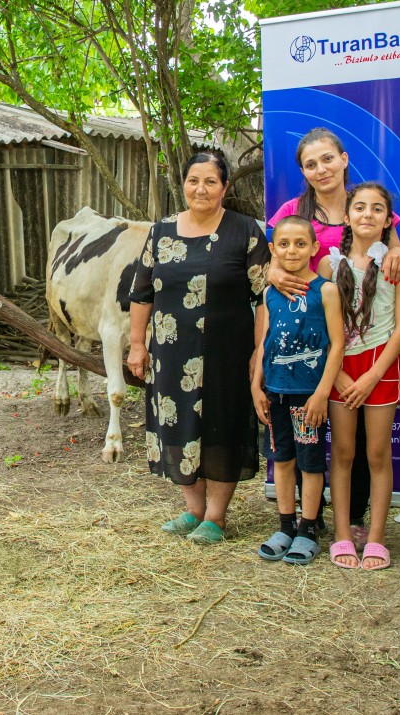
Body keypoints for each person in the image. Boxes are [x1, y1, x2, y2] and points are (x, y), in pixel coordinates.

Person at [267, 128, 400, 547]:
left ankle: (359, 518)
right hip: (318, 347)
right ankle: (315, 519)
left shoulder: (367, 202)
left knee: (368, 442)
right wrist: (274, 273)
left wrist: (399, 253)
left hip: (373, 344)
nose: (320, 169)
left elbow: (394, 255)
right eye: (310, 164)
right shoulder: (293, 209)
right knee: (330, 441)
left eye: (327, 159)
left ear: (344, 160)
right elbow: (269, 259)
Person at [127, 151, 270, 545]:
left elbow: (264, 297)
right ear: (184, 184)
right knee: (175, 422)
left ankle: (216, 517)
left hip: (228, 353)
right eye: (194, 180)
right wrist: (137, 344)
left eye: (210, 181)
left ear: (225, 187)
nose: (201, 188)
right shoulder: (161, 232)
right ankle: (193, 509)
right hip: (171, 353)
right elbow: (141, 294)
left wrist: (259, 350)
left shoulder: (246, 232)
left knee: (223, 425)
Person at [318, 183, 400, 571]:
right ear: (347, 215)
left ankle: (376, 538)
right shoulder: (329, 264)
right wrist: (337, 375)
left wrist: (374, 375)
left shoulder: (396, 266)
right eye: (360, 207)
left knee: (377, 454)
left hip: (381, 369)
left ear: (388, 220)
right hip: (341, 370)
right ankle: (342, 533)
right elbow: (321, 326)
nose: (368, 215)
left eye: (378, 209)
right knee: (342, 452)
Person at [252, 216, 345, 564]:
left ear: (314, 248)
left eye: (301, 244)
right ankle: (286, 525)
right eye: (285, 244)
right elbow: (264, 342)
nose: (293, 250)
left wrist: (321, 393)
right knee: (282, 460)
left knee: (309, 463)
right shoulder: (269, 292)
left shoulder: (326, 291)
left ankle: (308, 528)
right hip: (274, 392)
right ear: (274, 250)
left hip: (308, 397)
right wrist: (255, 385)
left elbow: (337, 345)